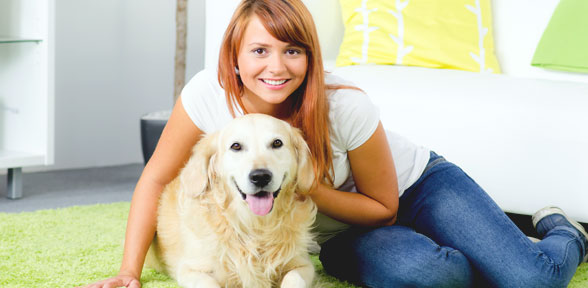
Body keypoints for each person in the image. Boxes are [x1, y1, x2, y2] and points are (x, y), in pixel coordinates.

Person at [79, 0, 587, 287]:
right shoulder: (207, 97)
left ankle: (566, 231)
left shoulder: (345, 105)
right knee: (437, 279)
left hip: (413, 190)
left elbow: (385, 206)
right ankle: (473, 250)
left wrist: (309, 188)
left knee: (531, 282)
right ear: (233, 57)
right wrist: (128, 272)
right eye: (259, 50)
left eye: (292, 51)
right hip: (345, 230)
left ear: (310, 58)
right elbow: (157, 177)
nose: (275, 67)